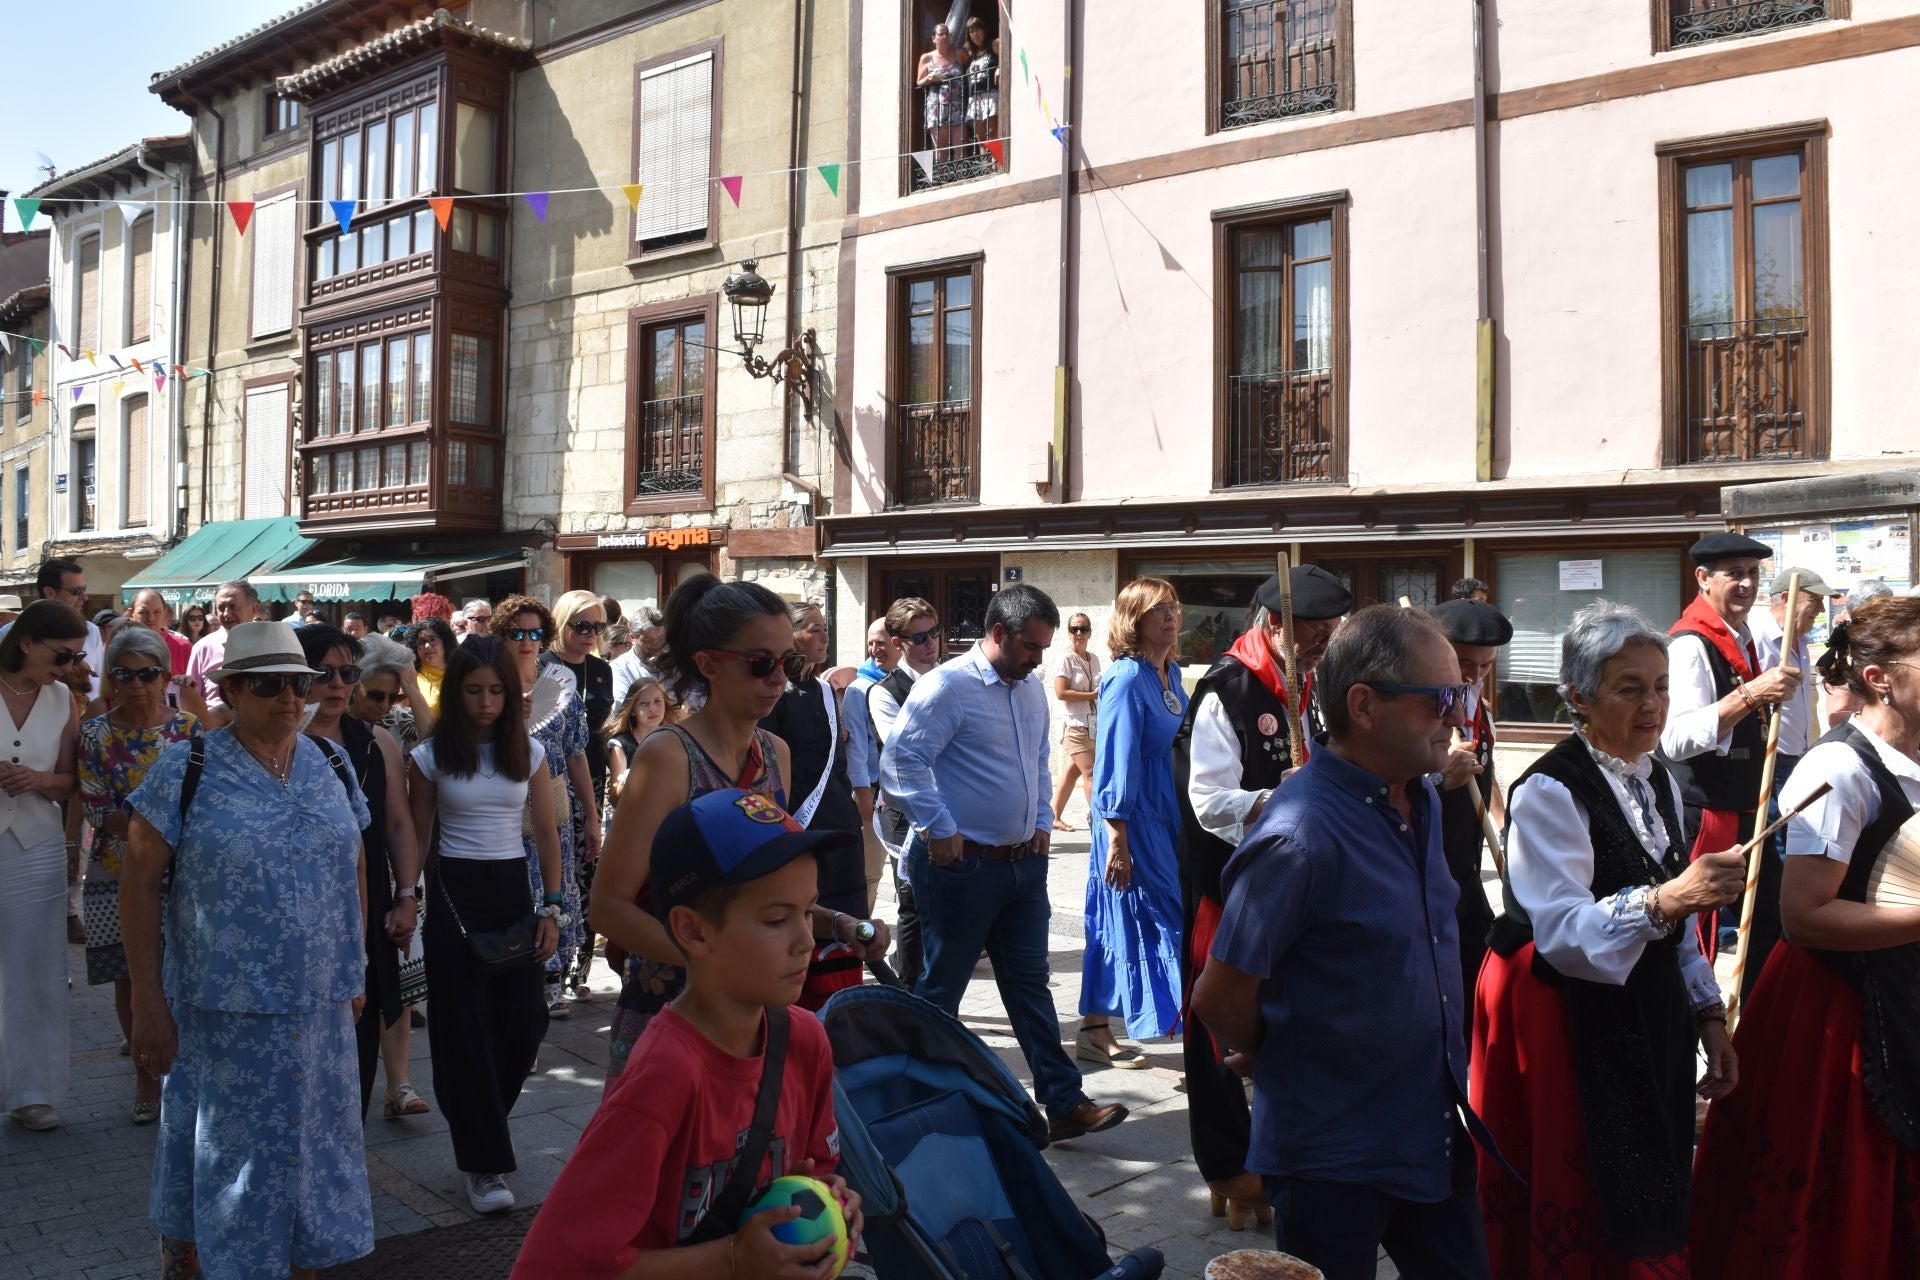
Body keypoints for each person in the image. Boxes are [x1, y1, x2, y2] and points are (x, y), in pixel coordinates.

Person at [1190, 605, 1488, 1280]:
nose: (1458, 714)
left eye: (1464, 695)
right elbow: (1219, 994)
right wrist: (1282, 1055)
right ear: (1364, 705)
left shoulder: (1423, 801)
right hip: (1335, 1153)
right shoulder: (1299, 838)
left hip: (1432, 1125)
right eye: (1442, 698)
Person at [1473, 601, 1741, 1278]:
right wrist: (1671, 897)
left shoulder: (1660, 783)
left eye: (1659, 688)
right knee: (1587, 1173)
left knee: (1652, 1154)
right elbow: (1562, 931)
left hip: (1645, 1004)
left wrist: (1709, 1016)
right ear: (1579, 698)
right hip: (1565, 1012)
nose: (1653, 706)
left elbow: (1675, 916)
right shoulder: (1549, 793)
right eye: (1630, 688)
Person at [510, 791, 863, 1277]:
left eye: (808, 912)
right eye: (778, 920)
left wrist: (830, 1203)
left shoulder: (805, 1041)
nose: (806, 940)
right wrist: (734, 1258)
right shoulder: (666, 1075)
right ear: (693, 932)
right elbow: (558, 1262)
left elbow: (815, 1168)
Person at [122, 621, 374, 1277]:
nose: (289, 698)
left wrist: (357, 968)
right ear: (231, 690)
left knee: (312, 1170)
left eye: (299, 683)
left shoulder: (334, 764)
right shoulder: (186, 769)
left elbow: (356, 865)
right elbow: (139, 885)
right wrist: (148, 1000)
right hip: (221, 1017)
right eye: (268, 685)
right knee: (226, 1170)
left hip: (320, 1013)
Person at [1691, 595, 1920, 1277]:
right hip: (1838, 1011)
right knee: (1837, 1190)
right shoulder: (1839, 769)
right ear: (1881, 676)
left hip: (1902, 990)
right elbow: (1805, 916)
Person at [595, 575, 885, 1081]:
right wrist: (708, 960)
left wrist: (836, 924)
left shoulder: (776, 756)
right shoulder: (668, 756)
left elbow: (765, 893)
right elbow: (608, 907)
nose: (780, 679)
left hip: (754, 1009)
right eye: (760, 664)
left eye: (789, 662)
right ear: (708, 664)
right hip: (676, 1009)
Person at [882, 583, 1129, 1142]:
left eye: (1044, 647)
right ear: (998, 634)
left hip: (1022, 866)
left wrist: (1043, 820)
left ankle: (1063, 1102)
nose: (1040, 659)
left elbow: (1038, 763)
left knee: (1030, 985)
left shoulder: (1029, 690)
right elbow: (901, 760)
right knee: (941, 989)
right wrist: (938, 828)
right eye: (1031, 647)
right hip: (960, 865)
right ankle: (913, 1106)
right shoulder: (948, 686)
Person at [1171, 564, 1351, 1222]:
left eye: (1330, 635)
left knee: (1282, 1016)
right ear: (1274, 625)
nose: (1322, 646)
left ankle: (1279, 1145)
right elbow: (1209, 801)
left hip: (1292, 877)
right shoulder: (1229, 688)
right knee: (1217, 1019)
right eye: (1313, 634)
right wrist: (1283, 798)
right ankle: (1224, 1161)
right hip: (1228, 882)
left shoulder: (1311, 680)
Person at [410, 638, 562, 1215]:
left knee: (526, 1021)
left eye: (496, 690)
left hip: (513, 893)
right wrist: (407, 897)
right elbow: (418, 837)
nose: (485, 701)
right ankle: (485, 1163)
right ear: (455, 693)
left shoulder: (529, 750)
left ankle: (475, 1119)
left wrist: (552, 907)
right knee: (463, 1030)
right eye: (473, 690)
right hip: (452, 893)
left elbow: (546, 835)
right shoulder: (430, 755)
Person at [1658, 531, 1802, 997]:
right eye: (1734, 574)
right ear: (1703, 578)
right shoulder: (1691, 644)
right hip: (1708, 813)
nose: (1746, 584)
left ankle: (1754, 1031)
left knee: (1769, 921)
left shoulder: (1740, 637)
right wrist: (1753, 693)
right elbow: (1676, 739)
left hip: (1745, 807)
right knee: (1697, 933)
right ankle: (1703, 1024)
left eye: (1753, 574)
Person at [299, 623, 428, 1122]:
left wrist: (407, 895)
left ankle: (348, 1131)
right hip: (299, 906)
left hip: (367, 898)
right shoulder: (279, 742)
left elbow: (399, 824)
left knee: (362, 1019)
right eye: (322, 673)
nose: (335, 683)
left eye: (346, 673)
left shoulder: (377, 742)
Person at [75, 625, 199, 1126]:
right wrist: (152, 841)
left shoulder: (188, 729)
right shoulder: (95, 734)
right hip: (115, 867)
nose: (136, 684)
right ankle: (146, 1079)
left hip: (182, 871)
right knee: (129, 975)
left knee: (180, 970)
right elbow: (97, 804)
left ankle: (183, 1073)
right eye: (124, 674)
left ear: (164, 676)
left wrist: (168, 846)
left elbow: (200, 798)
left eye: (148, 674)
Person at [1080, 579, 1186, 1068]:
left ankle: (1096, 1028)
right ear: (1133, 619)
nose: (1170, 616)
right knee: (1148, 912)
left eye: (1174, 607)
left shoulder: (1173, 673)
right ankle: (1172, 1022)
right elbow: (1114, 759)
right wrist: (1117, 836)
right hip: (1130, 816)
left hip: (1164, 809)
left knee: (1124, 915)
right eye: (1158, 609)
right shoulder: (1124, 677)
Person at [491, 596, 601, 1017]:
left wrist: (591, 816)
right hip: (500, 806)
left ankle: (548, 989)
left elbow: (576, 755)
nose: (526, 641)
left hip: (553, 805)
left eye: (535, 633)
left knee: (554, 894)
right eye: (516, 632)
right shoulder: (488, 686)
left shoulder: (561, 687)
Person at [0, 601, 86, 1132]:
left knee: (35, 971)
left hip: (35, 846)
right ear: (27, 641)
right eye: (63, 654)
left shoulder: (62, 700)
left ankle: (30, 1091)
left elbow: (72, 779)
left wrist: (37, 781)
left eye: (76, 656)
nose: (70, 666)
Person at [760, 601, 869, 1010]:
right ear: (792, 636)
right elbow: (768, 763)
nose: (825, 637)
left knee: (844, 924)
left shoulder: (824, 690)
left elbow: (837, 761)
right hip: (797, 825)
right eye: (815, 629)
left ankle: (841, 1013)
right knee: (805, 921)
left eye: (826, 629)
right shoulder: (774, 692)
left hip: (836, 822)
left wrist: (855, 808)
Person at [1431, 598, 1513, 993]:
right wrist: (1438, 776)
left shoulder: (1478, 706)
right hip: (1422, 872)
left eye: (1486, 665)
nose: (1475, 674)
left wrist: (1501, 820)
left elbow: (1487, 771)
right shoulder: (1417, 707)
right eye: (1465, 663)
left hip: (1464, 870)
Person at [545, 590, 616, 996]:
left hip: (593, 778)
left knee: (588, 873)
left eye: (598, 627)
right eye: (582, 626)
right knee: (558, 873)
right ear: (562, 623)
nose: (590, 634)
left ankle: (579, 972)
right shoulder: (542, 667)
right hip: (552, 782)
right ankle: (552, 967)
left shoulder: (602, 670)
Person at [870, 595, 942, 987]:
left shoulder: (953, 676)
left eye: (934, 632)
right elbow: (906, 750)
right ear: (898, 643)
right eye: (919, 637)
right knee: (912, 905)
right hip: (905, 812)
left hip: (951, 804)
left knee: (947, 906)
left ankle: (941, 999)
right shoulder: (885, 691)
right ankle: (909, 996)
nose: (930, 642)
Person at [1750, 567, 1827, 860]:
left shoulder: (1802, 640)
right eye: (1815, 599)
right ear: (1787, 597)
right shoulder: (1758, 637)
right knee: (1777, 841)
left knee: (1795, 834)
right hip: (1772, 755)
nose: (1821, 608)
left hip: (1798, 755)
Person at [842, 617, 896, 913]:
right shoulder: (859, 688)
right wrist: (862, 791)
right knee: (869, 871)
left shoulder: (911, 681)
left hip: (904, 791)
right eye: (870, 643)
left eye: (881, 642)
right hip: (873, 792)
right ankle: (861, 941)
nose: (875, 649)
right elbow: (856, 745)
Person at [0, 558, 106, 699]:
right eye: (76, 591)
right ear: (50, 592)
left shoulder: (91, 632)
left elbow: (100, 681)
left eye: (76, 657)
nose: (84, 597)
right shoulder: (9, 634)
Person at [183, 579, 261, 728]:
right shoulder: (203, 648)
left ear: (253, 609)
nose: (226, 614)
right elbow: (192, 699)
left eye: (233, 607)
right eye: (221, 607)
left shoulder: (270, 644)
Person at [1050, 612, 1101, 831]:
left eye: (1083, 629)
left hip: (1092, 724)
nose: (1078, 633)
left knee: (1072, 772)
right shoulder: (1065, 658)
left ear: (1090, 632)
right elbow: (1061, 692)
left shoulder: (1094, 658)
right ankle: (1099, 821)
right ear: (1068, 632)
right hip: (1073, 724)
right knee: (1090, 773)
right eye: (1074, 629)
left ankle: (1053, 816)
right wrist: (1091, 696)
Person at [916, 21, 967, 157]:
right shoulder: (926, 58)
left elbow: (971, 66)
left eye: (947, 34)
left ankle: (961, 177)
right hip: (936, 108)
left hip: (958, 106)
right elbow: (919, 82)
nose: (944, 37)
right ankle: (942, 179)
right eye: (940, 34)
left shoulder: (959, 54)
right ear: (934, 38)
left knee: (960, 148)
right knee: (941, 149)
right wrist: (929, 79)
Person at [128, 588, 193, 685]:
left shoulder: (183, 647)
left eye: (157, 612)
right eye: (143, 612)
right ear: (131, 614)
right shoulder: (118, 646)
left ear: (165, 614)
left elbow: (197, 690)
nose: (151, 618)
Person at [611, 604, 666, 707]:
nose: (655, 646)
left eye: (660, 639)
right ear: (632, 638)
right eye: (647, 641)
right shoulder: (620, 667)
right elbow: (623, 709)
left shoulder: (674, 662)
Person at [405, 616, 455, 721]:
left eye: (432, 639)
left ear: (445, 642)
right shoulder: (410, 678)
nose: (427, 646)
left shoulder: (461, 675)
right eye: (421, 642)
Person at [965, 13, 1000, 148]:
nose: (975, 34)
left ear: (984, 30)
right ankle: (986, 169)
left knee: (992, 133)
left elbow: (1010, 55)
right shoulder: (971, 54)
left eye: (977, 29)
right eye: (971, 31)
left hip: (990, 93)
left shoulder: (994, 45)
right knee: (981, 138)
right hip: (974, 98)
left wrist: (1000, 68)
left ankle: (995, 165)